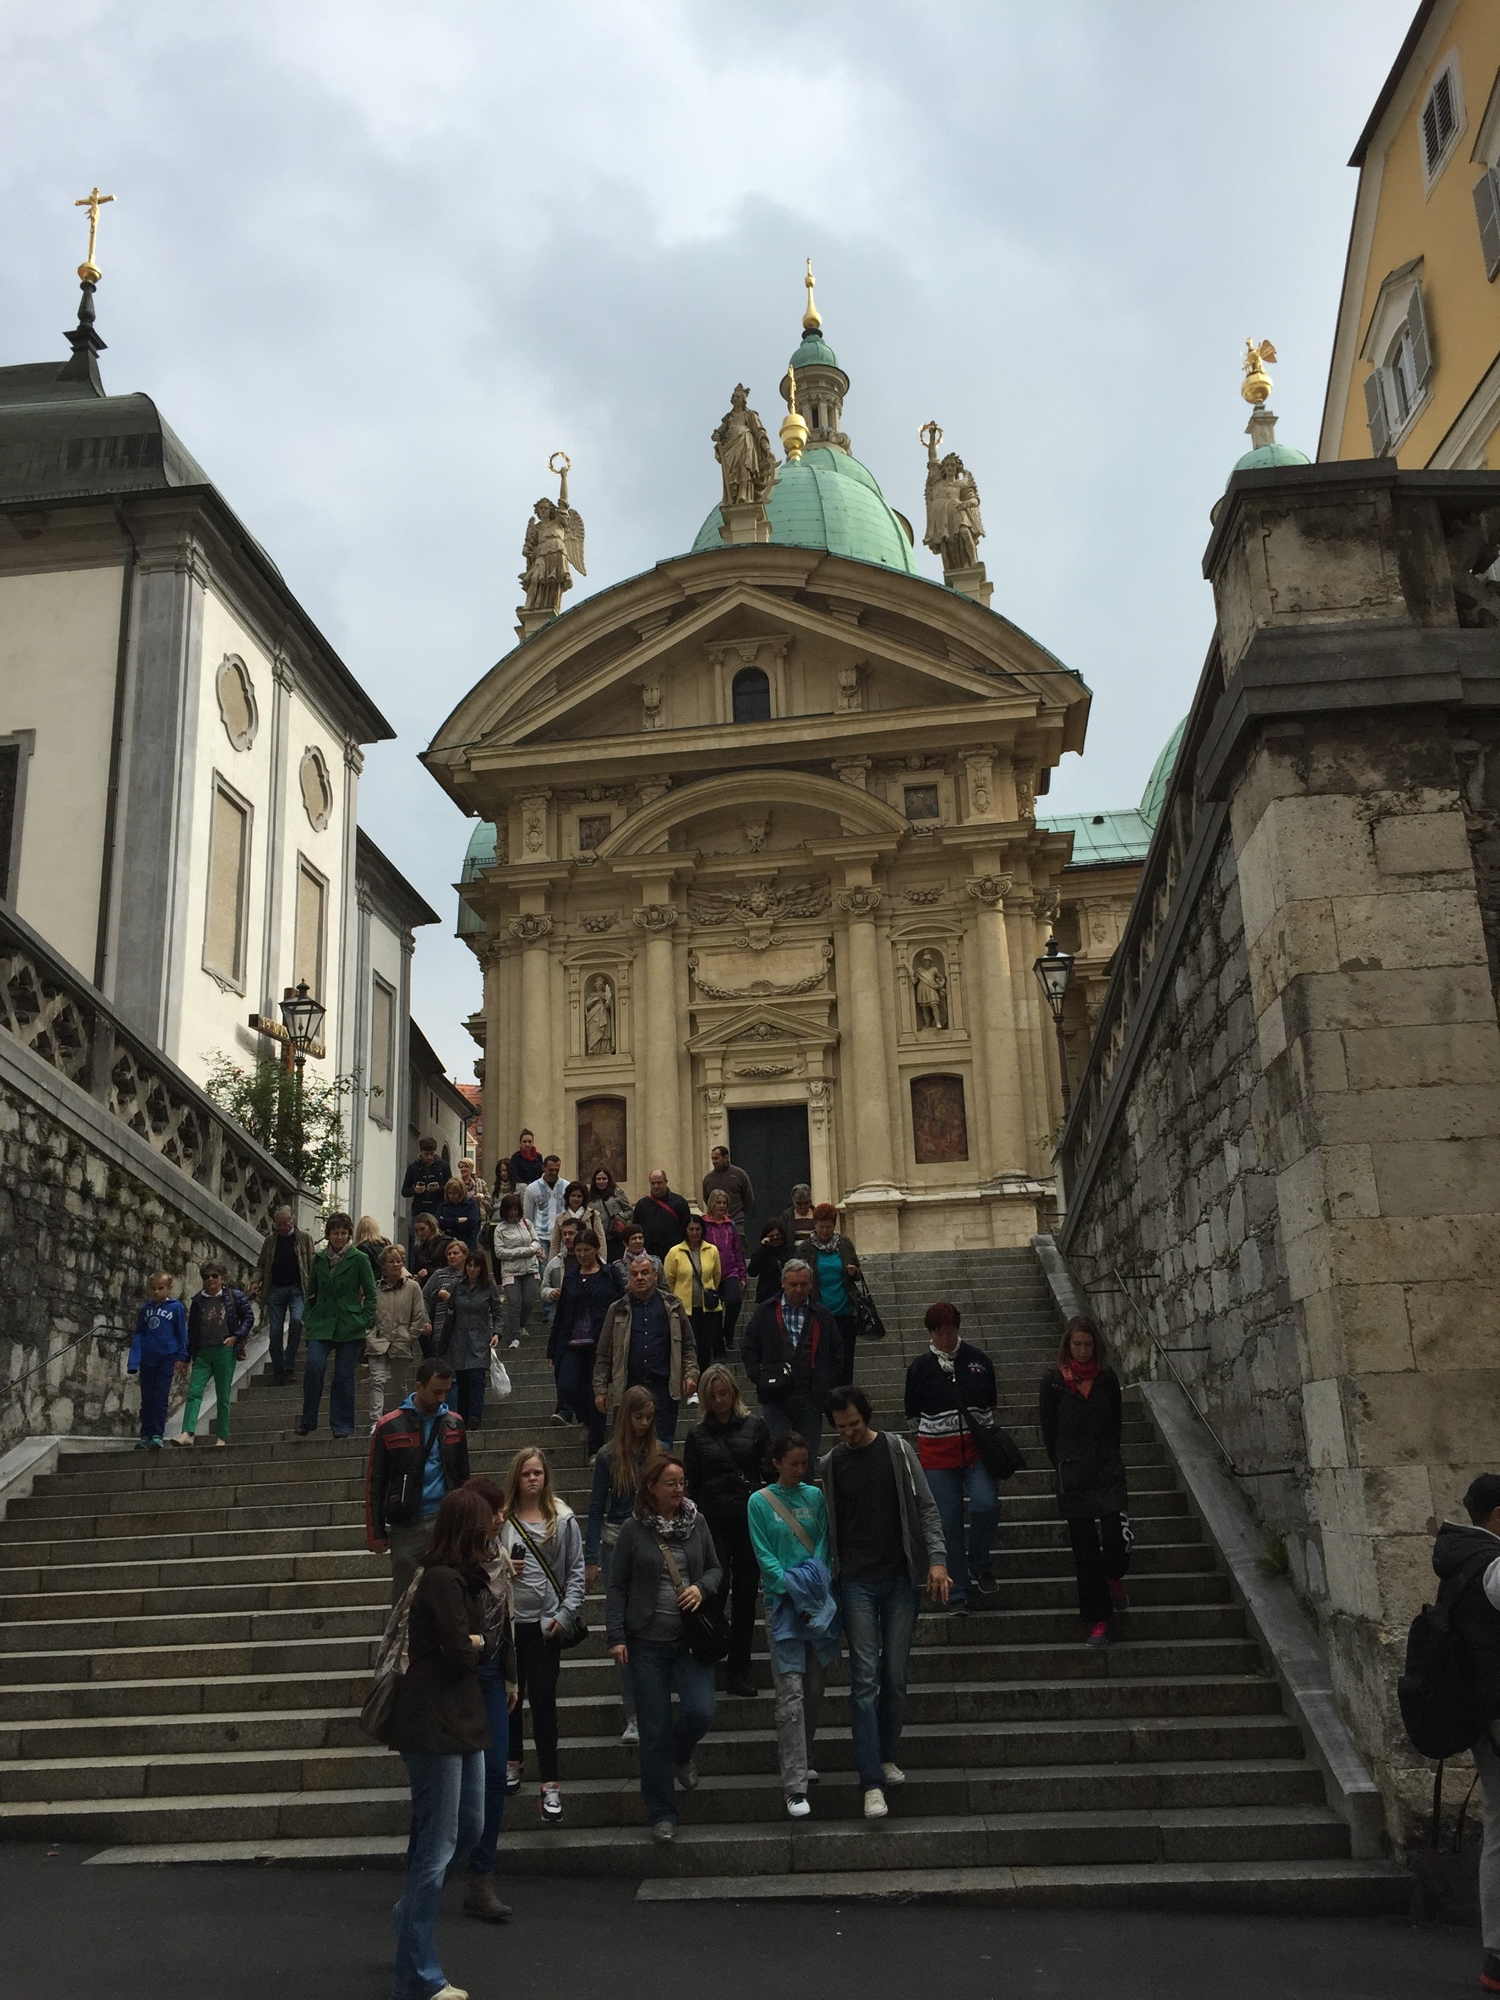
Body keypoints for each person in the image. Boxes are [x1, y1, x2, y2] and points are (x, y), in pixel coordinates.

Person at [821, 1385, 950, 1820]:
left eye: (854, 1425)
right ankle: (871, 1779)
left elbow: (926, 1507)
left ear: (867, 1417)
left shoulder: (896, 1450)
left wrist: (937, 1561)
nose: (849, 1434)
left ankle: (887, 1752)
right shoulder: (831, 1464)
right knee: (864, 1679)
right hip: (855, 1580)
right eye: (840, 1429)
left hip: (898, 1576)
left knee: (894, 1674)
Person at [386, 1484, 493, 2000]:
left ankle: (409, 1919)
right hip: (434, 1723)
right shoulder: (441, 1580)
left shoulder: (467, 1580)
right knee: (439, 1845)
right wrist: (476, 1643)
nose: (495, 1528)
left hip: (462, 1719)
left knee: (468, 1829)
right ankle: (420, 1976)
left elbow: (477, 1644)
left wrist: (475, 1643)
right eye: (487, 1522)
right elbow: (460, 1650)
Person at [605, 1453, 722, 1844]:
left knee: (700, 1710)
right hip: (647, 1643)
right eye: (671, 1483)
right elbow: (616, 1585)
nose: (679, 1490)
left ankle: (682, 1752)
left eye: (682, 1482)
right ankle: (661, 1812)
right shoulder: (632, 1531)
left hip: (689, 1642)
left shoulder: (697, 1522)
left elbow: (715, 1569)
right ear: (651, 1488)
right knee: (652, 1729)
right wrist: (617, 1636)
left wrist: (700, 1587)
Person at [1431, 1474, 1500, 1995]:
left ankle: (1496, 1956)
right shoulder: (1494, 1568)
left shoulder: (1460, 1563)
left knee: (1498, 1832)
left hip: (1484, 1717)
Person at [748, 1431, 840, 1817]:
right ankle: (794, 1783)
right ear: (777, 1463)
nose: (800, 1471)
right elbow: (762, 1551)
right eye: (794, 1464)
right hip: (782, 1604)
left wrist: (812, 1580)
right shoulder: (759, 1502)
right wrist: (789, 1584)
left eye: (805, 1463)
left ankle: (805, 1752)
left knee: (815, 1685)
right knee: (790, 1692)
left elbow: (822, 1541)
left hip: (815, 1601)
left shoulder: (815, 1497)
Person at [500, 1446, 586, 1824]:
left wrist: (565, 1616)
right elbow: (482, 1565)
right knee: (510, 1698)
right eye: (526, 1473)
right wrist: (505, 1566)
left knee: (545, 1701)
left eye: (538, 1473)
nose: (533, 1479)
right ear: (516, 1479)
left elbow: (577, 1571)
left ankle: (551, 1783)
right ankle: (512, 1759)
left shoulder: (563, 1519)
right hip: (510, 1622)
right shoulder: (502, 1520)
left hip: (546, 1625)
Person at [1039, 1315, 1130, 1648]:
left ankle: (1114, 1576)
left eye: (1087, 1344)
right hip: (1073, 1473)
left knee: (1113, 1541)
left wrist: (1110, 1460)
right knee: (1085, 1552)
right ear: (1067, 1346)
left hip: (1106, 1470)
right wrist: (1063, 1464)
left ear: (1096, 1346)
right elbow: (1048, 1431)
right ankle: (1099, 1619)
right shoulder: (1053, 1383)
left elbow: (1116, 1426)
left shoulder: (1106, 1380)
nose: (1081, 1350)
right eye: (1076, 1344)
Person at [904, 1302, 1000, 1612]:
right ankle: (958, 1592)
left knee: (986, 1504)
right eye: (940, 1331)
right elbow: (911, 1413)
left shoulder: (978, 1361)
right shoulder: (920, 1368)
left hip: (976, 1451)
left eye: (951, 1330)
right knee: (948, 1523)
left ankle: (980, 1560)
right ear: (930, 1333)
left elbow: (990, 1402)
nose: (946, 1337)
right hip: (937, 1457)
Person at [683, 1363, 770, 1699]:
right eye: (713, 1395)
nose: (719, 1401)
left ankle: (740, 1667)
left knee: (747, 1595)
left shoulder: (755, 1426)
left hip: (748, 1519)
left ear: (734, 1393)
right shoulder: (697, 1435)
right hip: (712, 1522)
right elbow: (692, 1481)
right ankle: (711, 1653)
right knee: (715, 1592)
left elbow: (767, 1470)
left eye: (724, 1394)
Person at [585, 1385, 662, 1742]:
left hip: (651, 1541)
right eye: (638, 1417)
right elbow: (596, 1508)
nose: (644, 1424)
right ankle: (633, 1714)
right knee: (623, 1632)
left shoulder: (659, 1455)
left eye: (649, 1417)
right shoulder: (607, 1457)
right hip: (616, 1544)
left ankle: (650, 1708)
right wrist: (590, 1559)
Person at [457, 1474, 517, 1925]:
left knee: (495, 1773)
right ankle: (431, 1863)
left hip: (493, 1673)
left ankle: (481, 1875)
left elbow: (507, 1621)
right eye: (495, 1511)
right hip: (456, 1677)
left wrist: (512, 1678)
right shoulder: (449, 1564)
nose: (501, 1518)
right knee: (449, 1779)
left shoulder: (499, 1557)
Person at [366, 1357, 472, 1603]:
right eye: (436, 1392)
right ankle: (403, 1642)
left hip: (447, 1523)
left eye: (446, 1392)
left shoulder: (454, 1423)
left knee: (449, 1597)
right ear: (419, 1386)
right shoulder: (389, 1426)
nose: (441, 1398)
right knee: (406, 1599)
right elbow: (375, 1481)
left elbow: (464, 1476)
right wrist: (376, 1532)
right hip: (407, 1524)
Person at [739, 1257, 840, 1463]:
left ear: (811, 1285)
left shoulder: (823, 1315)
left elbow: (837, 1352)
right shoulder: (765, 1312)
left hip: (811, 1396)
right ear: (783, 1283)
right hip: (775, 1396)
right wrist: (758, 1376)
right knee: (780, 1455)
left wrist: (825, 1382)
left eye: (804, 1285)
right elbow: (749, 1346)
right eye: (793, 1285)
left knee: (808, 1458)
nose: (798, 1289)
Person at [593, 1253, 698, 1446]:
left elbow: (688, 1345)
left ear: (655, 1275)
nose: (640, 1278)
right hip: (628, 1388)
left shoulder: (673, 1306)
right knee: (627, 1448)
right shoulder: (617, 1309)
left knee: (663, 1446)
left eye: (645, 1273)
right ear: (629, 1278)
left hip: (663, 1388)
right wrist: (600, 1390)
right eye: (634, 1274)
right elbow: (603, 1355)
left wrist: (690, 1374)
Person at [549, 1231, 622, 1455]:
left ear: (596, 1249)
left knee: (595, 1394)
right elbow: (561, 1313)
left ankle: (596, 1445)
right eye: (578, 1250)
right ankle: (586, 1420)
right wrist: (552, 1348)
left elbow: (621, 1305)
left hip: (600, 1343)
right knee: (567, 1386)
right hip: (571, 1341)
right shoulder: (570, 1276)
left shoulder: (610, 1274)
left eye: (586, 1250)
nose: (581, 1254)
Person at [174, 1260, 254, 1447]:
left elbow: (248, 1317)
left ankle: (222, 1435)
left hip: (224, 1350)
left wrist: (236, 1336)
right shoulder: (197, 1301)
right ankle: (187, 1432)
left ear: (222, 1278)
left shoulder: (234, 1296)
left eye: (214, 1276)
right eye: (206, 1277)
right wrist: (185, 1358)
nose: (210, 1280)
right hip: (202, 1351)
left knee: (223, 1395)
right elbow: (191, 1331)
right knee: (194, 1392)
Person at [431, 1248, 502, 1433]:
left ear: (481, 1268)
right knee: (461, 1379)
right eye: (469, 1265)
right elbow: (449, 1307)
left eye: (475, 1266)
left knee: (476, 1378)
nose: (471, 1269)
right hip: (458, 1338)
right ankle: (461, 1416)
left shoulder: (489, 1287)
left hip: (480, 1338)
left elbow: (498, 1311)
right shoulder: (458, 1285)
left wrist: (497, 1333)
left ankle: (475, 1416)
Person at [795, 1204, 862, 1382]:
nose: (824, 1231)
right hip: (819, 1314)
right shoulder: (805, 1249)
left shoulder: (845, 1245)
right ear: (814, 1225)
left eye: (828, 1226)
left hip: (845, 1312)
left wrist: (854, 1272)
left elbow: (858, 1274)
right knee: (822, 1361)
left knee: (846, 1361)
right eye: (821, 1226)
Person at [367, 1245, 430, 1431]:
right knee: (377, 1380)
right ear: (383, 1265)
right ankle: (376, 1420)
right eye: (391, 1261)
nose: (396, 1264)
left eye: (399, 1261)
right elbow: (368, 1313)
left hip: (401, 1342)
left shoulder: (412, 1287)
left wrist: (410, 1336)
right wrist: (369, 1334)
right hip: (378, 1341)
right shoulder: (375, 1288)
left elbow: (419, 1315)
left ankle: (400, 1417)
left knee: (398, 1383)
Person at [251, 1206, 314, 1387]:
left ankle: (289, 1365)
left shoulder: (304, 1239)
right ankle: (279, 1370)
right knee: (275, 1332)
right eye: (279, 1224)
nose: (283, 1227)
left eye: (285, 1223)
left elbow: (312, 1263)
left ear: (292, 1220)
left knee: (296, 1321)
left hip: (297, 1289)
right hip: (276, 1289)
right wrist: (256, 1281)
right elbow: (261, 1265)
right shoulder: (270, 1241)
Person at [126, 1272, 188, 1448]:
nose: (156, 1292)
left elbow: (182, 1333)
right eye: (153, 1288)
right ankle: (145, 1434)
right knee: (147, 1399)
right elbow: (139, 1334)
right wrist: (134, 1361)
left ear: (169, 1288)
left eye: (160, 1288)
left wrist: (182, 1356)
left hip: (166, 1358)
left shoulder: (176, 1308)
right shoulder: (146, 1309)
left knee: (160, 1397)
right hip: (147, 1359)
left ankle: (157, 1434)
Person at [663, 1215, 724, 1375]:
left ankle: (704, 1378)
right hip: (685, 1309)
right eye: (691, 1229)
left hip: (707, 1309)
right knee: (688, 1347)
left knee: (705, 1347)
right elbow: (668, 1280)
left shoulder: (712, 1250)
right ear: (685, 1230)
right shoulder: (675, 1252)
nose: (695, 1232)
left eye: (698, 1229)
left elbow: (717, 1276)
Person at [541, 1216, 582, 1425]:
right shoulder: (556, 1262)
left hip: (584, 1325)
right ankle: (563, 1408)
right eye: (564, 1234)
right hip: (560, 1322)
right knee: (561, 1368)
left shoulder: (594, 1263)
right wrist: (551, 1293)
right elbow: (543, 1288)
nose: (567, 1238)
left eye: (571, 1233)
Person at [491, 1193, 544, 1351]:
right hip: (510, 1272)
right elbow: (500, 1252)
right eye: (510, 1209)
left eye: (515, 1209)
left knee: (529, 1301)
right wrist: (525, 1251)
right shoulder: (499, 1229)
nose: (513, 1212)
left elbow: (536, 1242)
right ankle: (514, 1336)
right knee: (514, 1303)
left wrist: (530, 1250)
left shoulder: (527, 1223)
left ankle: (520, 1324)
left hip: (531, 1269)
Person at [701, 1188, 749, 1352]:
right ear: (711, 1204)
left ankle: (728, 1333)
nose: (721, 1206)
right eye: (718, 1203)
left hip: (730, 1271)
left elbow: (737, 1250)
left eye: (724, 1203)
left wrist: (742, 1275)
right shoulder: (704, 1224)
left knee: (734, 1301)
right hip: (709, 1274)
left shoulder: (731, 1225)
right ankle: (717, 1342)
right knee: (713, 1311)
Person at [632, 1168, 692, 1262]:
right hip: (649, 1256)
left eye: (659, 1183)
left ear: (666, 1182)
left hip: (674, 1254)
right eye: (653, 1183)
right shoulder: (642, 1205)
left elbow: (686, 1229)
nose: (656, 1186)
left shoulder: (680, 1202)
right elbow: (636, 1229)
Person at [701, 1145, 754, 1233]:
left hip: (736, 1221)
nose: (714, 1162)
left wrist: (739, 1214)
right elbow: (707, 1199)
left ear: (726, 1158)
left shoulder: (739, 1174)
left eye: (716, 1158)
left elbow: (748, 1198)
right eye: (712, 1159)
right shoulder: (708, 1179)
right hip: (715, 1223)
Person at [585, 1166, 632, 1261]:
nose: (601, 1181)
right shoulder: (589, 1196)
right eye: (598, 1179)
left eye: (604, 1178)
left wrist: (619, 1217)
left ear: (608, 1179)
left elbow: (629, 1211)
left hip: (614, 1237)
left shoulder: (617, 1192)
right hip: (597, 1238)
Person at [549, 1180, 604, 1258]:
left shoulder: (593, 1215)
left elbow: (601, 1240)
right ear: (568, 1197)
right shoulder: (560, 1218)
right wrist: (552, 1263)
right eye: (573, 1195)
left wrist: (601, 1260)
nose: (576, 1199)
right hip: (566, 1257)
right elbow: (555, 1244)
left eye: (579, 1196)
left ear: (584, 1198)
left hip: (589, 1257)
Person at [523, 1156, 570, 1247]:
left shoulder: (566, 1186)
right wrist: (531, 1237)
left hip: (561, 1235)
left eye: (557, 1170)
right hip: (540, 1236)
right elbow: (528, 1216)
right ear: (543, 1168)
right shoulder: (532, 1188)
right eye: (551, 1170)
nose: (554, 1173)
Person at [401, 1135, 449, 1220]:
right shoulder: (413, 1167)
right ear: (421, 1152)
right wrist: (415, 1190)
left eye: (432, 1154)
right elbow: (404, 1191)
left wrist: (439, 1188)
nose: (429, 1157)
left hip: (438, 1210)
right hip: (419, 1210)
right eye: (426, 1154)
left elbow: (451, 1187)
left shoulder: (443, 1166)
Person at [747, 1221, 789, 1304]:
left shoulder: (788, 1251)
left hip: (785, 1295)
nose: (775, 1239)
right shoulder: (762, 1252)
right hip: (766, 1296)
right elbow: (752, 1272)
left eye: (778, 1236)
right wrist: (763, 1248)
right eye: (772, 1236)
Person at [408, 1212, 451, 1291]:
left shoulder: (446, 1243)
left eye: (422, 1229)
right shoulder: (418, 1248)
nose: (419, 1233)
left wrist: (428, 1271)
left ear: (431, 1226)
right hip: (425, 1287)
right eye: (417, 1231)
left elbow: (451, 1268)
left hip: (444, 1285)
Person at [436, 1178, 483, 1250]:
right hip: (448, 1244)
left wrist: (448, 1223)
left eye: (455, 1193)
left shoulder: (471, 1204)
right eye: (449, 1193)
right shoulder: (443, 1206)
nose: (451, 1196)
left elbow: (472, 1223)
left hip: (467, 1243)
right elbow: (439, 1223)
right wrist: (457, 1220)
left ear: (461, 1192)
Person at [611, 1225, 650, 1290]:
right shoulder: (617, 1266)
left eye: (640, 1238)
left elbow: (663, 1288)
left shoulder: (655, 1262)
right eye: (634, 1238)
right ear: (625, 1243)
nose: (638, 1241)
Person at [457, 1156, 490, 1220]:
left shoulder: (480, 1183)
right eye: (461, 1167)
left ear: (471, 1169)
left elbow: (489, 1202)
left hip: (479, 1216)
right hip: (463, 1216)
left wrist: (482, 1198)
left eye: (466, 1167)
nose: (463, 1169)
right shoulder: (456, 1183)